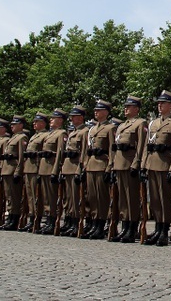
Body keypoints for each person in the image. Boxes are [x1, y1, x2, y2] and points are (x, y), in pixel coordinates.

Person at [141, 91, 171, 246]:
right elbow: (146, 146)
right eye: (159, 103)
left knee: (165, 199)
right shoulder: (153, 123)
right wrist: (143, 165)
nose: (160, 105)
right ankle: (158, 227)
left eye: (163, 103)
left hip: (165, 165)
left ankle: (165, 229)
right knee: (155, 200)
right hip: (152, 164)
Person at [111, 96, 147, 243]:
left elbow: (141, 145)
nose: (125, 109)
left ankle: (132, 228)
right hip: (119, 164)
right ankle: (125, 226)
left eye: (129, 107)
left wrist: (136, 163)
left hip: (130, 164)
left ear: (136, 109)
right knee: (123, 200)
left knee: (131, 198)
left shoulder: (140, 123)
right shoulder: (121, 125)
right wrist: (113, 165)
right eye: (125, 106)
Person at [81, 100, 116, 240]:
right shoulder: (92, 129)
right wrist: (84, 165)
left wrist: (109, 167)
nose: (96, 112)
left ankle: (101, 225)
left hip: (102, 165)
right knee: (92, 197)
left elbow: (112, 150)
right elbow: (86, 150)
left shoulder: (110, 128)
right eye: (95, 110)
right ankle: (94, 224)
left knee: (102, 198)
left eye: (99, 110)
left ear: (106, 112)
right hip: (91, 165)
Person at [57, 106, 88, 237]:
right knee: (68, 198)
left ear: (80, 117)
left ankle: (76, 223)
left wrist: (80, 169)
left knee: (76, 198)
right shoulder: (74, 132)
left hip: (75, 166)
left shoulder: (84, 131)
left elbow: (83, 152)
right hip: (67, 167)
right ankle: (69, 222)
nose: (71, 119)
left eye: (74, 116)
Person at [36, 109, 67, 235]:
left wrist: (55, 170)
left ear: (60, 120)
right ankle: (48, 220)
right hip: (44, 168)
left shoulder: (61, 134)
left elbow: (60, 153)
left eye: (53, 118)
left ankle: (52, 220)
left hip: (51, 168)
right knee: (46, 198)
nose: (51, 120)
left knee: (52, 197)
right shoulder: (49, 134)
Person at [20, 113, 49, 232]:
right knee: (30, 196)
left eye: (36, 122)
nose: (34, 124)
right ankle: (31, 218)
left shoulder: (45, 135)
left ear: (43, 123)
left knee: (38, 197)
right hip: (28, 168)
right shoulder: (33, 136)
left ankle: (38, 219)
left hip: (37, 168)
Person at [0, 115, 28, 231]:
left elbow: (21, 157)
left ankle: (14, 220)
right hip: (6, 170)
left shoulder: (21, 138)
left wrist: (18, 172)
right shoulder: (12, 138)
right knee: (9, 196)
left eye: (14, 124)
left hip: (12, 170)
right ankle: (10, 218)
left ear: (20, 125)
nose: (12, 126)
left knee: (14, 197)